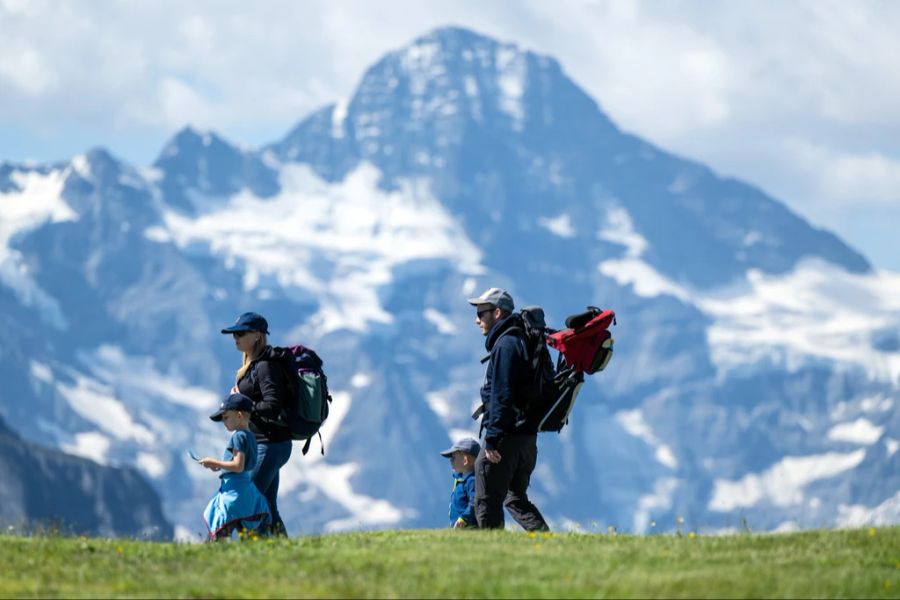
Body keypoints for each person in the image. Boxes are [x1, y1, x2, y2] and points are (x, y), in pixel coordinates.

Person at [467, 287, 549, 531]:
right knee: (514, 498)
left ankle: (492, 557)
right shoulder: (524, 339)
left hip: (506, 438)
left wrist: (492, 439)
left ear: (498, 313)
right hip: (527, 438)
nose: (477, 319)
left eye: (481, 313)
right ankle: (547, 544)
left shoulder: (506, 345)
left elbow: (502, 394)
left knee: (485, 500)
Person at [221, 311, 293, 536]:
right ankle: (286, 554)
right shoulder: (252, 366)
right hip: (266, 444)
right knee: (267, 506)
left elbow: (272, 405)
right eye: (234, 334)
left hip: (269, 445)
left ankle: (237, 552)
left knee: (246, 501)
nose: (236, 338)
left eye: (241, 333)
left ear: (257, 336)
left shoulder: (265, 366)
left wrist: (244, 406)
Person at [200, 393, 271, 541]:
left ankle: (212, 556)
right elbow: (242, 466)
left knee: (219, 528)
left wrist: (215, 462)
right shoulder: (250, 435)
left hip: (233, 494)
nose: (223, 422)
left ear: (239, 415)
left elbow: (238, 465)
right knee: (247, 533)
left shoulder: (238, 436)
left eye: (225, 417)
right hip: (246, 491)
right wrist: (221, 467)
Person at [440, 437, 480, 529]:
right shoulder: (461, 479)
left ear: (465, 461)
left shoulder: (472, 481)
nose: (450, 460)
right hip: (459, 527)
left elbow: (475, 502)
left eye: (453, 457)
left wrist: (464, 519)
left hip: (468, 527)